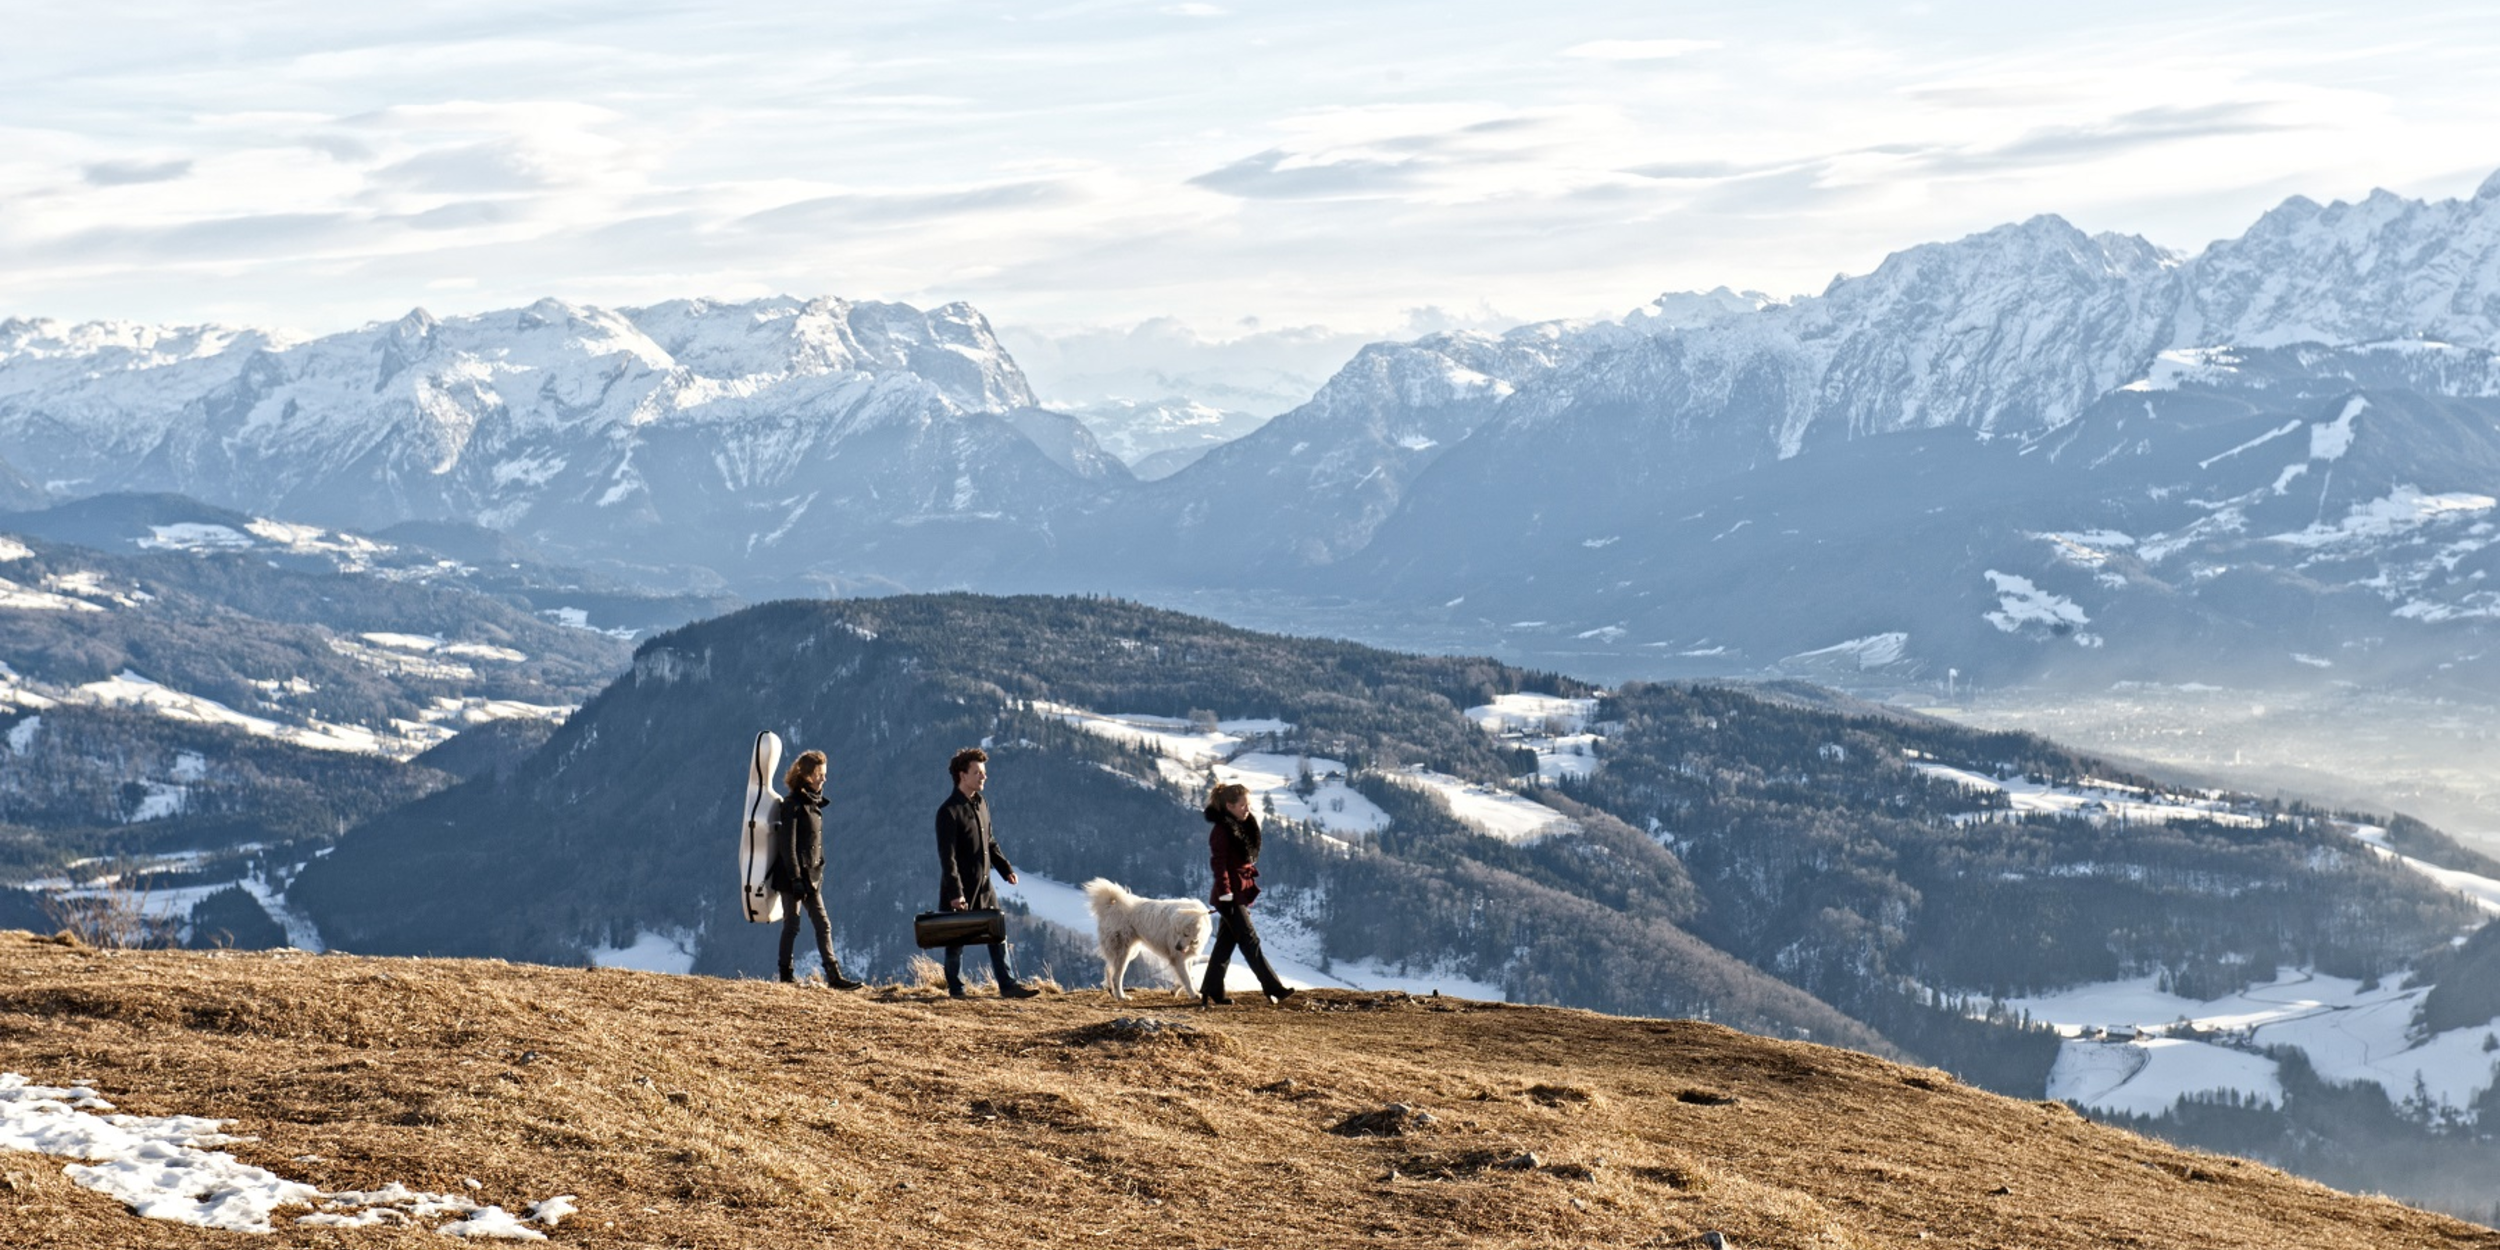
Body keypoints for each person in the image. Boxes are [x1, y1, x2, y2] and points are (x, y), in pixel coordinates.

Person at [934, 747, 1038, 999]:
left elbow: (990, 841)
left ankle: (1008, 985)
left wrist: (1005, 869)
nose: (983, 777)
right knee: (956, 941)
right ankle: (956, 989)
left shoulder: (981, 804)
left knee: (997, 934)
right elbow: (947, 859)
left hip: (984, 885)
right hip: (960, 888)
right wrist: (956, 894)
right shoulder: (948, 812)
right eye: (977, 772)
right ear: (962, 775)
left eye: (984, 772)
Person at [773, 749, 863, 990]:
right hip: (794, 877)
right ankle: (786, 975)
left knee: (822, 925)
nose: (824, 779)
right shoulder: (792, 805)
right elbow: (787, 845)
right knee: (792, 925)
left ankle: (832, 976)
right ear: (807, 776)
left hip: (810, 877)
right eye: (820, 774)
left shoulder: (812, 803)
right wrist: (795, 879)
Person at [1199, 781, 1292, 1006]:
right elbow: (1218, 864)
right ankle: (1274, 988)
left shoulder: (1240, 826)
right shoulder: (1221, 831)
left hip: (1238, 893)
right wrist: (1225, 892)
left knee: (1224, 944)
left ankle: (1211, 988)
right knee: (1250, 941)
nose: (1247, 809)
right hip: (1229, 897)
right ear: (1229, 806)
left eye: (1248, 805)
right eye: (1243, 805)